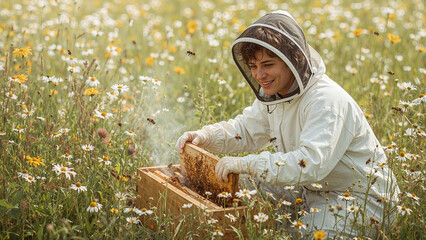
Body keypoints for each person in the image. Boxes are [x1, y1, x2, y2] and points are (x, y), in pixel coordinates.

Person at [176, 10, 399, 238]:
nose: (259, 75)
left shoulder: (327, 101)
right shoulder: (276, 93)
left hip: (359, 200)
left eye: (268, 64)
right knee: (227, 184)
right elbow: (245, 130)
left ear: (294, 60)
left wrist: (248, 164)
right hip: (308, 189)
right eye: (253, 66)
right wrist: (205, 136)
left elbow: (310, 164)